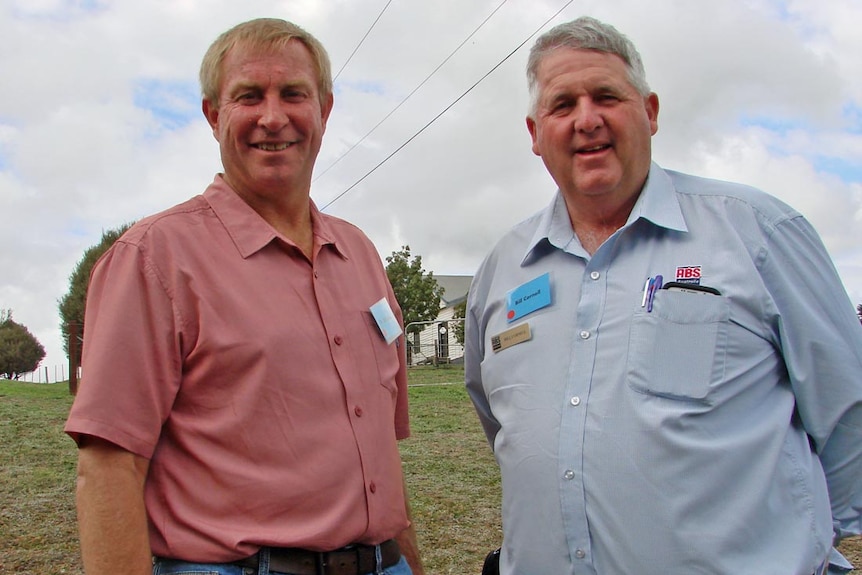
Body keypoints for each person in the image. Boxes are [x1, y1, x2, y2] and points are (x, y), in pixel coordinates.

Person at [465, 15, 862, 575]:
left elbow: (850, 411)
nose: (586, 119)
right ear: (535, 134)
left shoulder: (758, 232)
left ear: (650, 113)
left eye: (606, 96)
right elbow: (504, 422)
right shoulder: (502, 269)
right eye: (562, 105)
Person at [65, 18, 424, 575]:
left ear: (325, 110)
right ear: (214, 115)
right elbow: (109, 467)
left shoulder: (361, 255)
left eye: (293, 94)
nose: (273, 117)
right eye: (249, 96)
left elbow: (381, 456)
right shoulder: (155, 259)